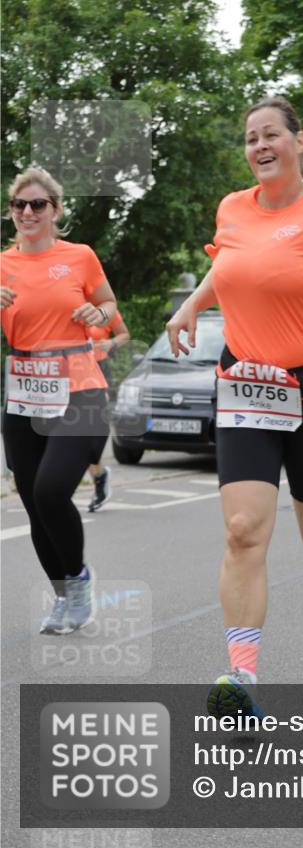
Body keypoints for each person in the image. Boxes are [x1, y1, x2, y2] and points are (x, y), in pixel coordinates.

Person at [165, 96, 303, 713]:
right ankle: (241, 676)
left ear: (299, 140)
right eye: (250, 138)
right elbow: (232, 265)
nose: (259, 146)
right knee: (243, 532)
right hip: (245, 388)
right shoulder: (233, 209)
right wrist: (192, 303)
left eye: (270, 135)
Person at [1, 168, 117, 634]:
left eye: (38, 205)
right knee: (33, 503)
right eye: (19, 205)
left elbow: (108, 304)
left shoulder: (80, 257)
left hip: (79, 390)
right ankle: (64, 596)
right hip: (24, 393)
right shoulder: (2, 264)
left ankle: (80, 581)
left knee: (52, 492)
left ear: (55, 210)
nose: (28, 213)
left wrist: (98, 311)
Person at [85, 309, 130, 512]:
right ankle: (99, 476)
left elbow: (124, 334)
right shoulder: (67, 303)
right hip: (68, 369)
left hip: (98, 370)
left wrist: (110, 343)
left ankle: (99, 478)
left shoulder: (105, 309)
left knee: (87, 428)